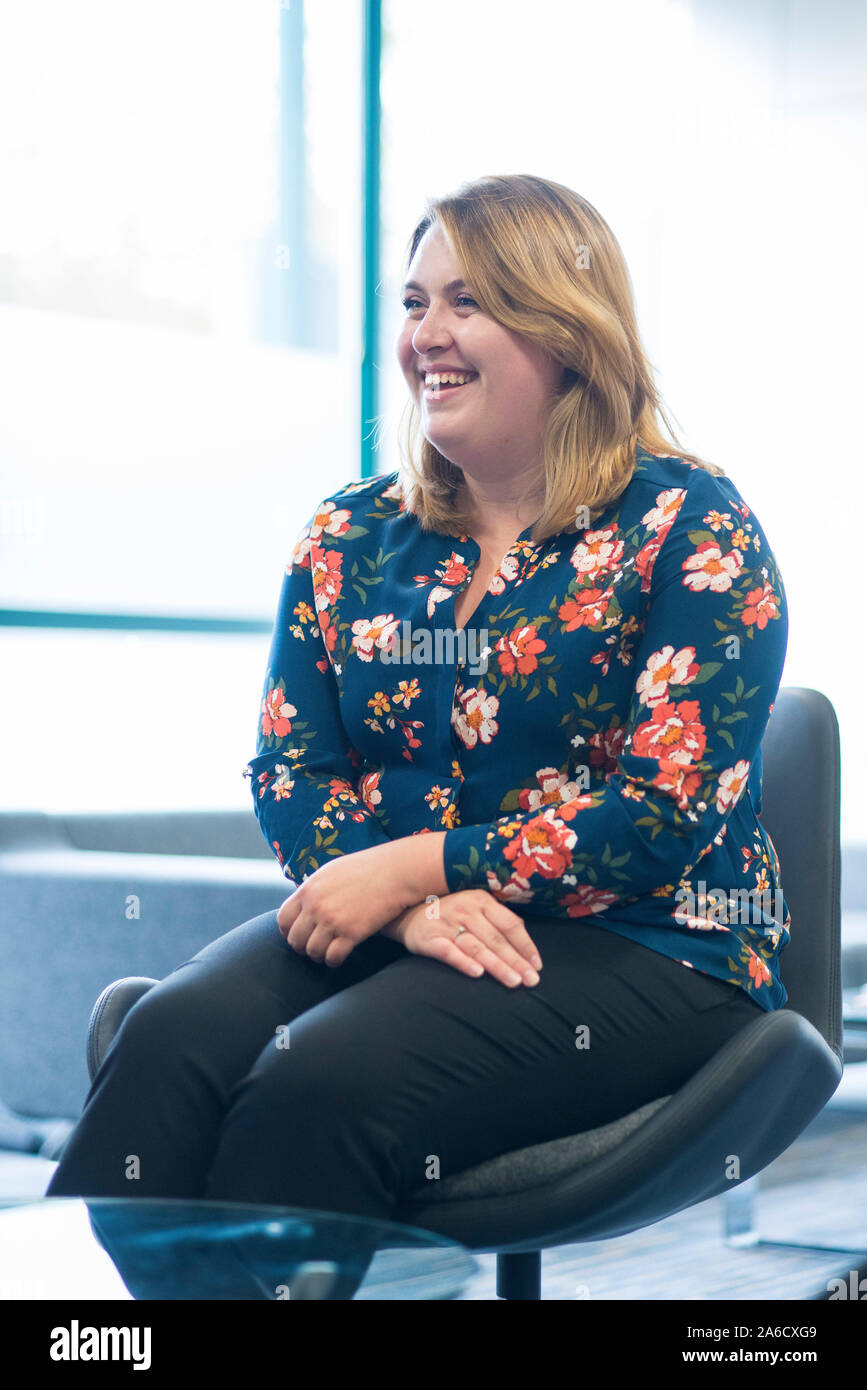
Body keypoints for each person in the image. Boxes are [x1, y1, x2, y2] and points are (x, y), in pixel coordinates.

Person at [46, 174, 789, 1291]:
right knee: (163, 1045)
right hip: (408, 917)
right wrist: (414, 902)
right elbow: (291, 766)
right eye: (412, 304)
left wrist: (414, 865)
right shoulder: (349, 532)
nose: (426, 336)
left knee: (316, 1086)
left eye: (469, 302)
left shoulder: (693, 524)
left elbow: (662, 814)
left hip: (650, 937)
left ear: (565, 326)